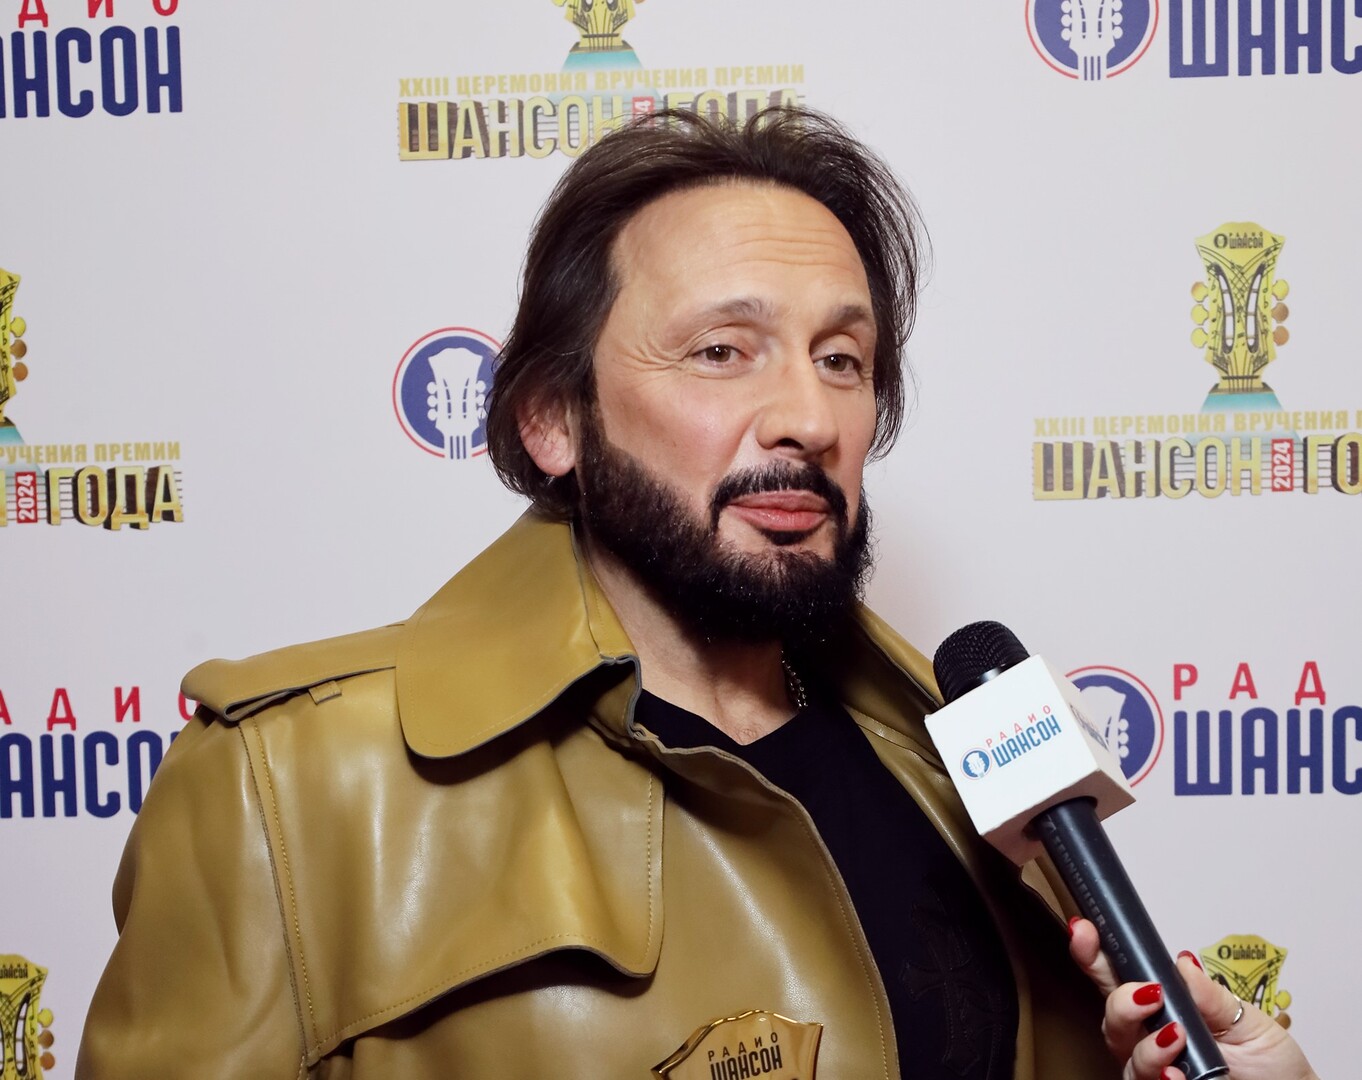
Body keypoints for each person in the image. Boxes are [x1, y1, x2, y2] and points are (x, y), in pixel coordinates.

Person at [75, 108, 1318, 1080]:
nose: (808, 417)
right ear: (554, 420)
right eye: (724, 351)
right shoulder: (289, 788)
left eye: (843, 359)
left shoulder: (958, 771)